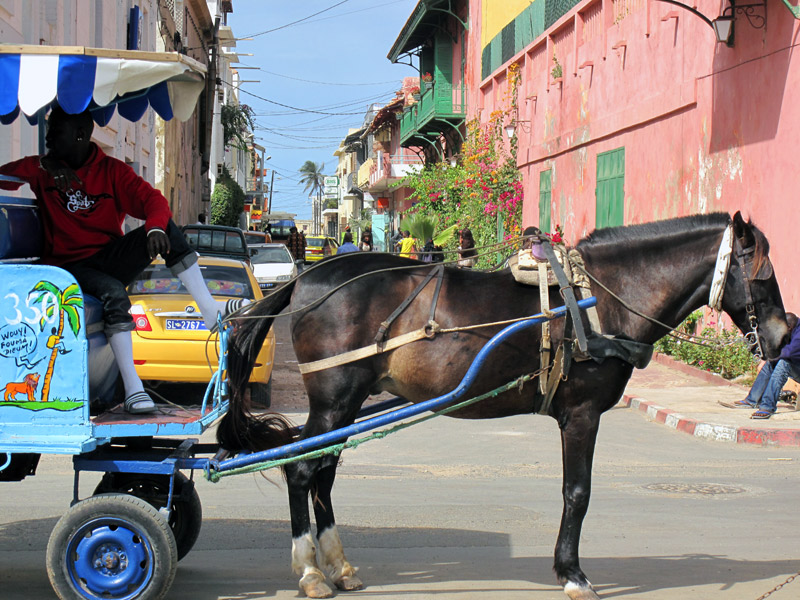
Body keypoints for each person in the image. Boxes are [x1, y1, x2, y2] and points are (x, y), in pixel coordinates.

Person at [0, 106, 247, 414]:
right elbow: (3, 178)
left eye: (55, 131)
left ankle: (209, 310)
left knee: (166, 228)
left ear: (80, 134)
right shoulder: (42, 169)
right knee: (114, 293)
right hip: (66, 268)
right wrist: (44, 165)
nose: (48, 137)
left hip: (107, 257)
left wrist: (155, 227)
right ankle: (134, 390)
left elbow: (153, 201)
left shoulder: (112, 172)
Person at [733, 312, 800, 419]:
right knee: (771, 362)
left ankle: (768, 406)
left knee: (783, 363)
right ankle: (752, 400)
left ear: (789, 327)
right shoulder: (792, 329)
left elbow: (789, 353)